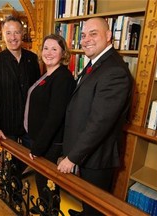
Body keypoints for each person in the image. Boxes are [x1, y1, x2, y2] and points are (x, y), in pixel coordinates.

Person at [57, 17, 133, 216]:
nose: (86, 39)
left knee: (96, 207)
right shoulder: (97, 63)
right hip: (87, 152)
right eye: (83, 35)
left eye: (93, 34)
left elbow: (99, 123)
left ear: (108, 36)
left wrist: (72, 157)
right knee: (86, 200)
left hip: (98, 156)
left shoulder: (114, 71)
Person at [25, 34, 76, 210]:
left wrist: (38, 146)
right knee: (41, 179)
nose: (49, 52)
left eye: (54, 49)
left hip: (50, 143)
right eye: (46, 48)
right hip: (41, 139)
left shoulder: (62, 77)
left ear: (63, 53)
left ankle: (50, 210)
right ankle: (44, 205)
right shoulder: (48, 74)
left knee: (49, 182)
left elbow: (55, 116)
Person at [0, 16, 40, 176]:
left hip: (30, 123)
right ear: (3, 35)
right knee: (11, 160)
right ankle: (12, 190)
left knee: (33, 156)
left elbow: (37, 91)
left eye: (16, 32)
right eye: (8, 33)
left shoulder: (32, 59)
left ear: (22, 34)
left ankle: (17, 182)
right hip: (7, 125)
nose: (13, 37)